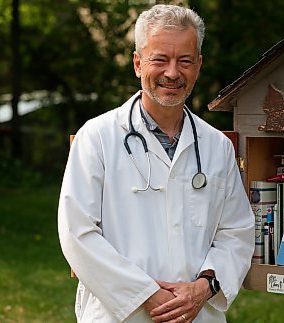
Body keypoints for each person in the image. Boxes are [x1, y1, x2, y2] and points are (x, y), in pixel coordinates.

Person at [58, 4, 255, 323]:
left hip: (198, 314)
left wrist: (204, 288)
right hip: (121, 315)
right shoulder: (97, 137)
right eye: (160, 59)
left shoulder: (216, 146)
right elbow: (77, 233)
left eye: (185, 61)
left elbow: (236, 232)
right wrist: (147, 295)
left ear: (199, 65)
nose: (173, 73)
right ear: (138, 63)